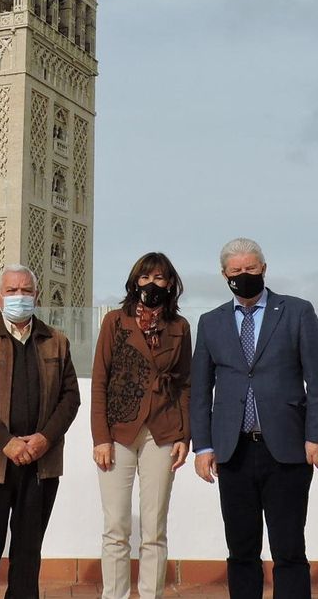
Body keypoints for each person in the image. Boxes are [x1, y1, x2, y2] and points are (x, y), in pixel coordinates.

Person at [191, 238, 318, 599]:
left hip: (287, 450)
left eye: (251, 269)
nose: (244, 275)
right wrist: (203, 446)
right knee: (241, 551)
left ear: (264, 268)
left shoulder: (297, 312)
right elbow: (200, 389)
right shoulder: (211, 323)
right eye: (236, 271)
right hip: (233, 451)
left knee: (288, 548)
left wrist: (317, 436)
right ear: (224, 275)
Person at [0, 264, 81, 599]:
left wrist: (44, 439)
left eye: (26, 291)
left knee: (28, 555)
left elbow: (70, 398)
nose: (19, 297)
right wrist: (6, 441)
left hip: (40, 464)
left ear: (36, 296)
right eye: (12, 291)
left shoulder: (56, 341)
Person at [91, 252, 192, 599]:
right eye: (145, 278)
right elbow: (100, 381)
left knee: (154, 528)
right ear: (135, 282)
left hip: (162, 432)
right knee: (116, 526)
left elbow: (184, 384)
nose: (152, 284)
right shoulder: (115, 323)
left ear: (170, 284)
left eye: (160, 278)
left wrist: (184, 435)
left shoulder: (180, 327)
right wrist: (100, 438)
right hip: (119, 431)